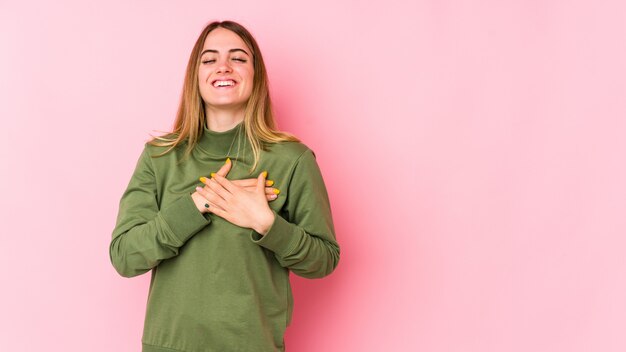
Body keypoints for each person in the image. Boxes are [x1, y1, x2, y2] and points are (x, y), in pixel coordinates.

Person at [109, 20, 340, 352]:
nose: (223, 67)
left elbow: (324, 260)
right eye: (209, 59)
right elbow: (125, 256)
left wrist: (267, 224)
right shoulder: (160, 157)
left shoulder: (292, 159)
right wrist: (196, 205)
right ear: (196, 77)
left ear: (255, 75)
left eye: (238, 58)